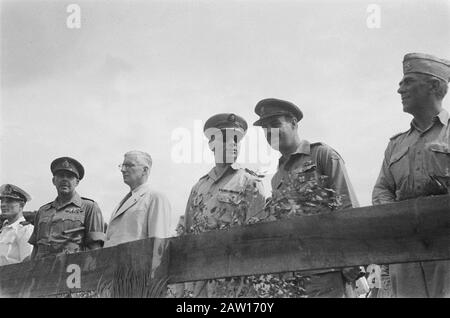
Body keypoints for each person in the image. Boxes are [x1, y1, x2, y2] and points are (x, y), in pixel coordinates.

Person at [253, 98, 361, 298]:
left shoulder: (322, 155)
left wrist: (351, 260)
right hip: (291, 277)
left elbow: (348, 208)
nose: (270, 133)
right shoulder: (276, 177)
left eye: (275, 125)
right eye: (265, 129)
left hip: (327, 273)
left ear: (294, 123)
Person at [372, 52, 450, 298]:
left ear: (434, 85)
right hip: (406, 254)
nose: (399, 89)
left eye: (408, 81)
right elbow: (382, 189)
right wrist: (401, 219)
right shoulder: (396, 145)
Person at [178, 113, 266, 297]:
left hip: (234, 281)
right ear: (212, 144)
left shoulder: (250, 183)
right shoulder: (198, 187)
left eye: (237, 139)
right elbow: (187, 235)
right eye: (226, 139)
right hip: (199, 280)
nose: (233, 144)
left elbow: (259, 239)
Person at [29, 157, 106, 259]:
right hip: (41, 270)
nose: (65, 179)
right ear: (53, 181)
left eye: (70, 176)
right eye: (61, 176)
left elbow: (95, 248)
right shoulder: (42, 211)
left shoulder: (89, 207)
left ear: (77, 182)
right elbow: (36, 247)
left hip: (72, 270)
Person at [104, 151, 173, 247]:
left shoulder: (156, 198)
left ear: (145, 170)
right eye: (122, 166)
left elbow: (159, 244)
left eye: (129, 165)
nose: (123, 170)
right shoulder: (121, 203)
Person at [0, 184, 34, 265]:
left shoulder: (25, 230)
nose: (3, 204)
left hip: (13, 276)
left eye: (9, 201)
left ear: (21, 205)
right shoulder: (3, 229)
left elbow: (27, 262)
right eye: (2, 201)